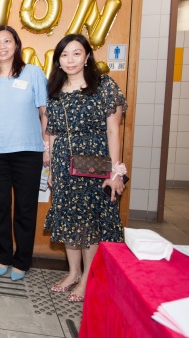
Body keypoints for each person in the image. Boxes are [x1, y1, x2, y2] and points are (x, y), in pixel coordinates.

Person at [44, 33, 127, 302]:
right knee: (69, 218)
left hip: (95, 162)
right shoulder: (55, 90)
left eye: (76, 53)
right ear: (58, 60)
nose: (70, 60)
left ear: (87, 56)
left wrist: (115, 172)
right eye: (64, 54)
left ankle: (87, 278)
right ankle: (73, 272)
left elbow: (113, 131)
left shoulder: (104, 86)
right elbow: (53, 133)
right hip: (63, 163)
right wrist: (53, 171)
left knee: (90, 222)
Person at [0, 26, 48, 281]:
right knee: (0, 208)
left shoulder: (33, 73)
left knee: (25, 209)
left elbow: (45, 112)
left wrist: (47, 146)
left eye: (7, 41)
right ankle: (3, 256)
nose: (2, 46)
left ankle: (22, 260)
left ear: (16, 45)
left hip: (28, 152)